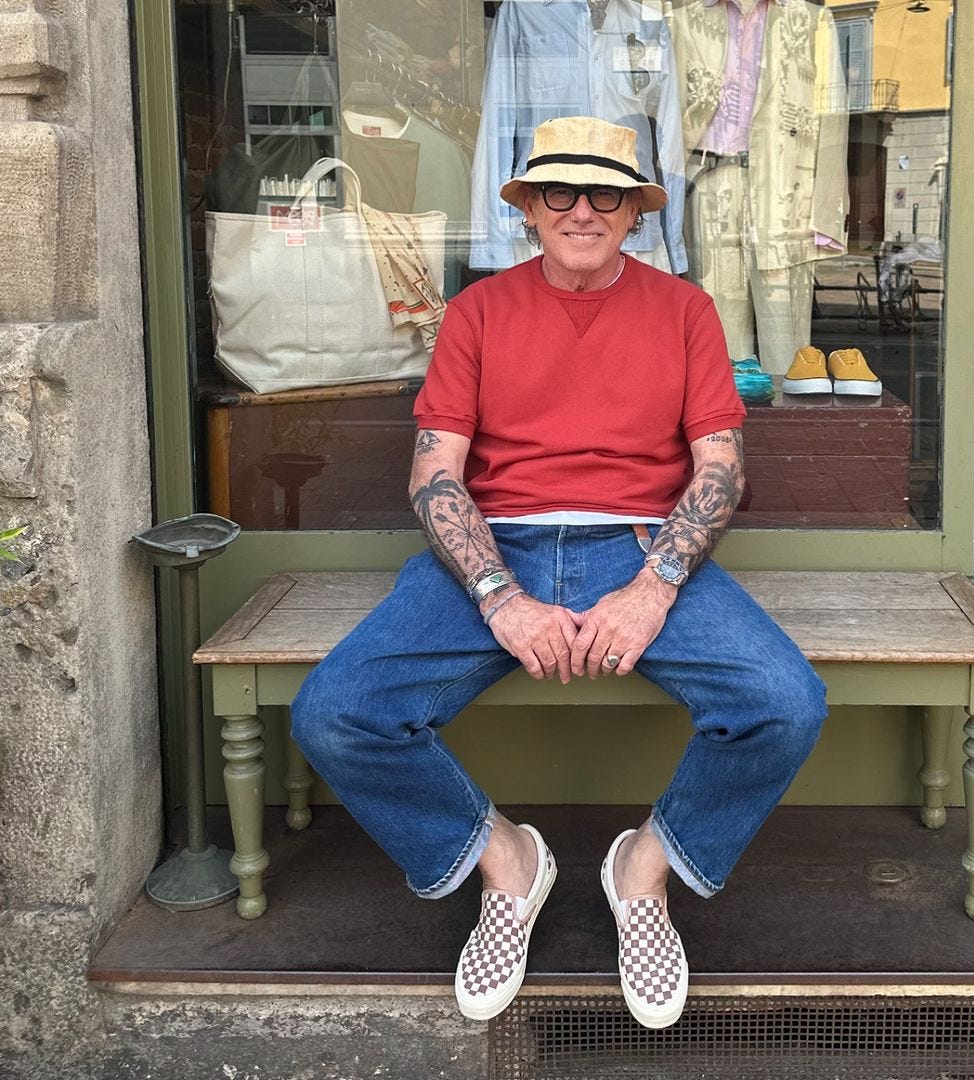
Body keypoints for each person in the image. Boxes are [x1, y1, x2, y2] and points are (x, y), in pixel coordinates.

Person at [291, 116, 827, 1030]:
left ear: (634, 214)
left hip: (640, 543)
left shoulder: (687, 309)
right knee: (336, 714)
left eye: (605, 193)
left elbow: (721, 468)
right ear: (529, 209)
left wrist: (652, 588)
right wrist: (500, 597)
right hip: (496, 544)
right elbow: (434, 472)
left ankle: (642, 872)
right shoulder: (479, 311)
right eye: (559, 192)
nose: (582, 210)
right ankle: (507, 863)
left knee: (785, 702)